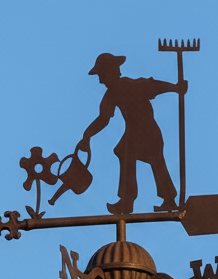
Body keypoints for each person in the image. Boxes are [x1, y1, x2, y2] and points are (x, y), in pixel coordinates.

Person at [78, 52, 186, 215]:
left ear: (110, 72)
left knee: (132, 154)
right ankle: (165, 199)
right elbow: (103, 118)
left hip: (146, 133)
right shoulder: (112, 93)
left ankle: (132, 202)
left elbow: (153, 86)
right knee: (145, 158)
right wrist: (87, 135)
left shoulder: (130, 85)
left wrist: (175, 88)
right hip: (137, 134)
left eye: (101, 75)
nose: (100, 80)